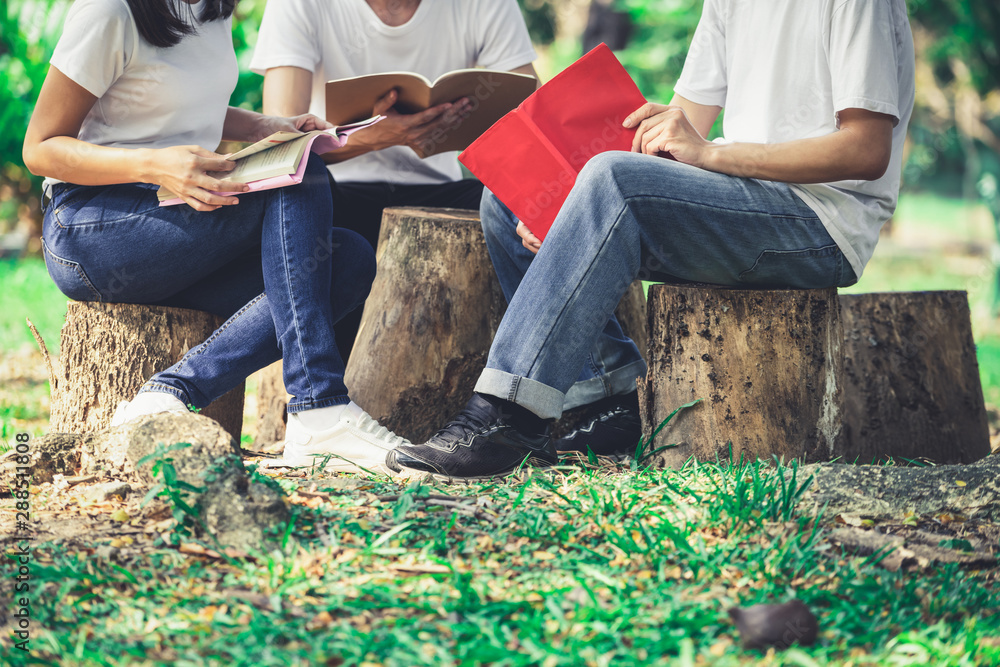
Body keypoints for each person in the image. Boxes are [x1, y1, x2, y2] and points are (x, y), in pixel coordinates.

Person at [385, 0, 917, 479]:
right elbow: (673, 128)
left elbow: (866, 150)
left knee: (615, 177)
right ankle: (609, 403)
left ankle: (507, 416)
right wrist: (558, 204)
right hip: (736, 199)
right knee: (510, 198)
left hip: (819, 223)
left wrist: (711, 154)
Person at [23, 0, 407, 476]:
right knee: (302, 179)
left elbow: (176, 99)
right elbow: (39, 148)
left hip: (175, 222)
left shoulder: (211, 8)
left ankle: (170, 393)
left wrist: (266, 127)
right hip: (92, 230)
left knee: (347, 258)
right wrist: (153, 163)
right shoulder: (110, 11)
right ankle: (319, 405)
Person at [251, 0, 539, 359]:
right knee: (305, 193)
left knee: (518, 208)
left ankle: (528, 380)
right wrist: (375, 137)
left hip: (442, 191)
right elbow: (279, 148)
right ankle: (322, 384)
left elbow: (530, 117)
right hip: (336, 188)